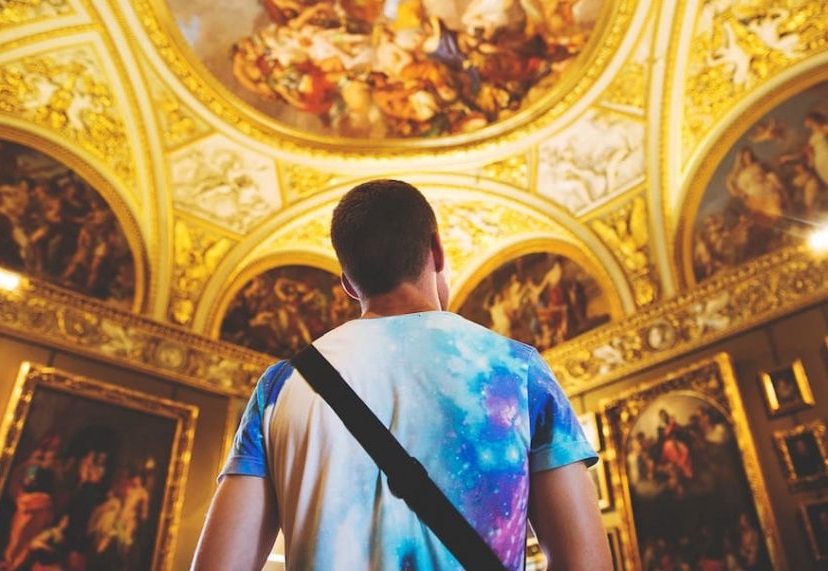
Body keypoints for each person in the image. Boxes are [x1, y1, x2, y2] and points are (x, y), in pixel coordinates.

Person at [192, 179, 608, 570]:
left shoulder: (281, 387)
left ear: (349, 284)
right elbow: (586, 563)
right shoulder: (518, 369)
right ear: (437, 251)